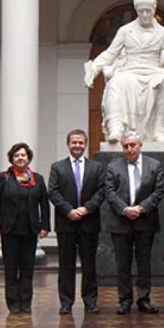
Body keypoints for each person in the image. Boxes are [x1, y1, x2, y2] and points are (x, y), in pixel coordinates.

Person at [84, 0, 164, 143]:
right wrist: (94, 69)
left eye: (148, 11)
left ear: (154, 9)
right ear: (136, 10)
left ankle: (159, 131)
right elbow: (111, 53)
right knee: (115, 83)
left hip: (155, 71)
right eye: (141, 11)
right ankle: (116, 128)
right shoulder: (125, 31)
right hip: (130, 70)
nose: (144, 15)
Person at [104, 131, 164, 314]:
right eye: (125, 146)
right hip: (120, 222)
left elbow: (159, 191)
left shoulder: (154, 165)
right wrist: (125, 209)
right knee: (123, 263)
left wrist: (141, 208)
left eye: (132, 145)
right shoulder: (113, 167)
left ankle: (144, 299)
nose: (129, 149)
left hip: (145, 220)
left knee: (144, 262)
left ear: (140, 146)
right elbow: (109, 192)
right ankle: (125, 300)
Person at [0, 143, 50, 314]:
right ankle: (13, 302)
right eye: (17, 156)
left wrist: (45, 226)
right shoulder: (3, 178)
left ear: (28, 158)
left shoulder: (38, 179)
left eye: (23, 155)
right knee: (11, 267)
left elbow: (44, 204)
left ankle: (26, 302)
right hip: (10, 230)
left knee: (28, 267)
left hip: (30, 230)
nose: (20, 158)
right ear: (11, 159)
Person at [48, 129, 106, 315]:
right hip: (66, 223)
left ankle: (90, 301)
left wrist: (86, 209)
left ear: (85, 144)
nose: (77, 146)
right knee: (66, 264)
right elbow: (53, 192)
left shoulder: (96, 168)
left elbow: (101, 192)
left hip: (89, 222)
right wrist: (68, 210)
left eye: (81, 142)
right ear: (68, 144)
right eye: (74, 142)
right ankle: (66, 302)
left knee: (89, 264)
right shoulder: (57, 167)